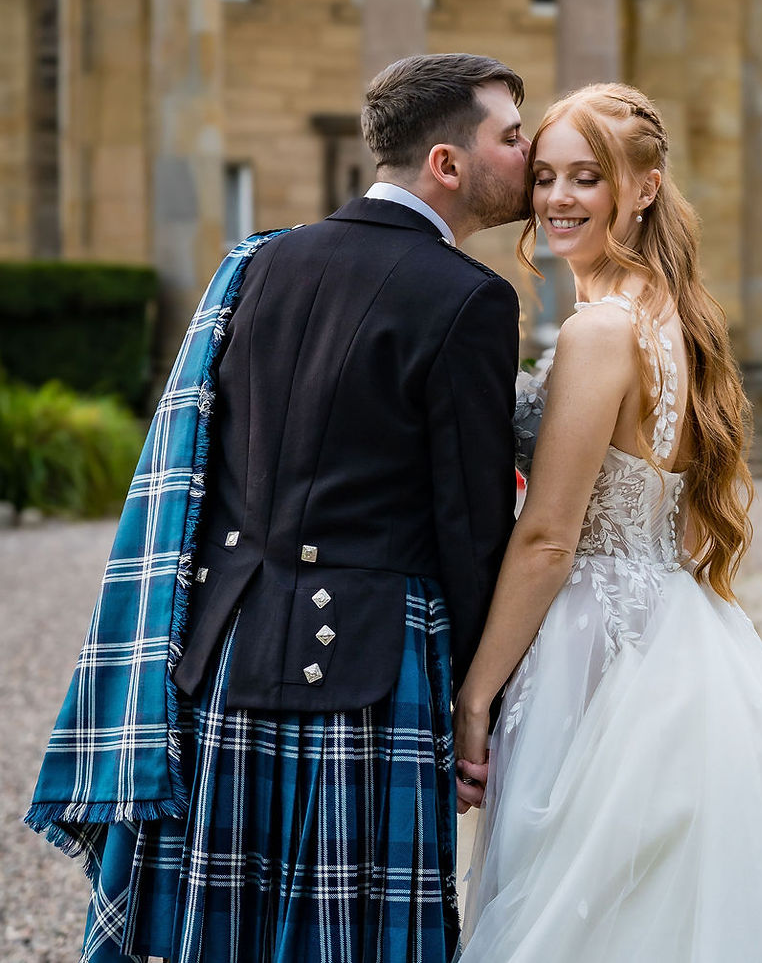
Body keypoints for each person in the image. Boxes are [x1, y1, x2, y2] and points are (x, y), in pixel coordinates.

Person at [27, 52, 530, 963]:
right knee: (351, 939)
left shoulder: (261, 262)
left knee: (224, 933)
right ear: (447, 165)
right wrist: (482, 693)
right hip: (374, 663)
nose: (528, 156)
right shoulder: (468, 298)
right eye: (512, 136)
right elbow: (470, 525)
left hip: (221, 650)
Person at [454, 83, 762, 963]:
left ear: (642, 188)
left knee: (581, 902)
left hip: (591, 642)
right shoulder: (665, 313)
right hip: (674, 624)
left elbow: (550, 537)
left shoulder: (603, 328)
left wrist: (476, 694)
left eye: (587, 179)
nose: (558, 198)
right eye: (547, 176)